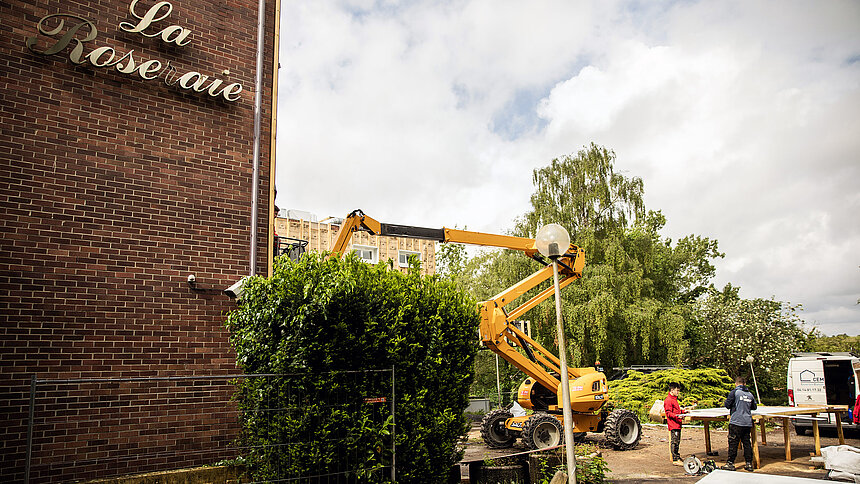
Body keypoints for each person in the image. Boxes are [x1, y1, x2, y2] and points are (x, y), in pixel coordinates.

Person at [722, 376, 758, 471]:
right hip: (747, 422)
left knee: (733, 442)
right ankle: (749, 463)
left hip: (736, 421)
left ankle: (730, 463)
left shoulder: (735, 392)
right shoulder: (750, 394)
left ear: (736, 384)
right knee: (747, 443)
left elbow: (727, 405)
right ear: (745, 384)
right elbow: (754, 407)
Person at [664, 382, 691, 465]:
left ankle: (677, 456)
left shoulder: (674, 400)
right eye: (677, 391)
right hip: (673, 424)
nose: (678, 392)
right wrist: (677, 416)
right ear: (672, 390)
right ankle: (675, 459)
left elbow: (676, 411)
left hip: (677, 424)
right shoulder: (668, 400)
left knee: (677, 441)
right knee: (674, 441)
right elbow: (668, 413)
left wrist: (683, 412)